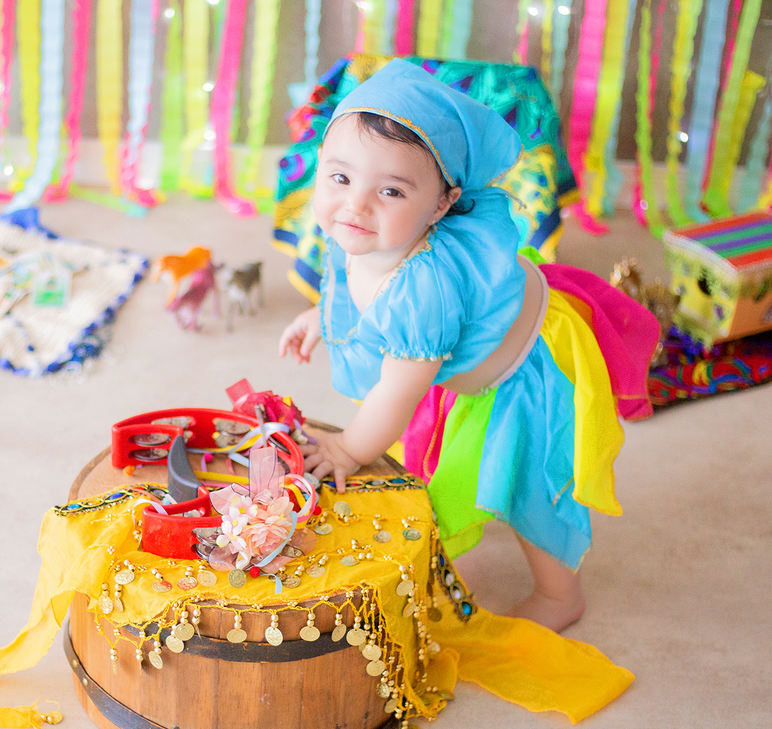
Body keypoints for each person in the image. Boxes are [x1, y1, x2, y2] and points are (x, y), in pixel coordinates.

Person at [278, 59, 656, 632]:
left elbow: (399, 394)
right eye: (340, 178)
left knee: (530, 483)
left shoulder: (422, 287)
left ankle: (560, 595)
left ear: (441, 205)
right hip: (476, 338)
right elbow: (356, 287)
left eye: (391, 190)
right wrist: (318, 316)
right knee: (435, 455)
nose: (356, 205)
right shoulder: (362, 233)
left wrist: (348, 451)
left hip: (530, 370)